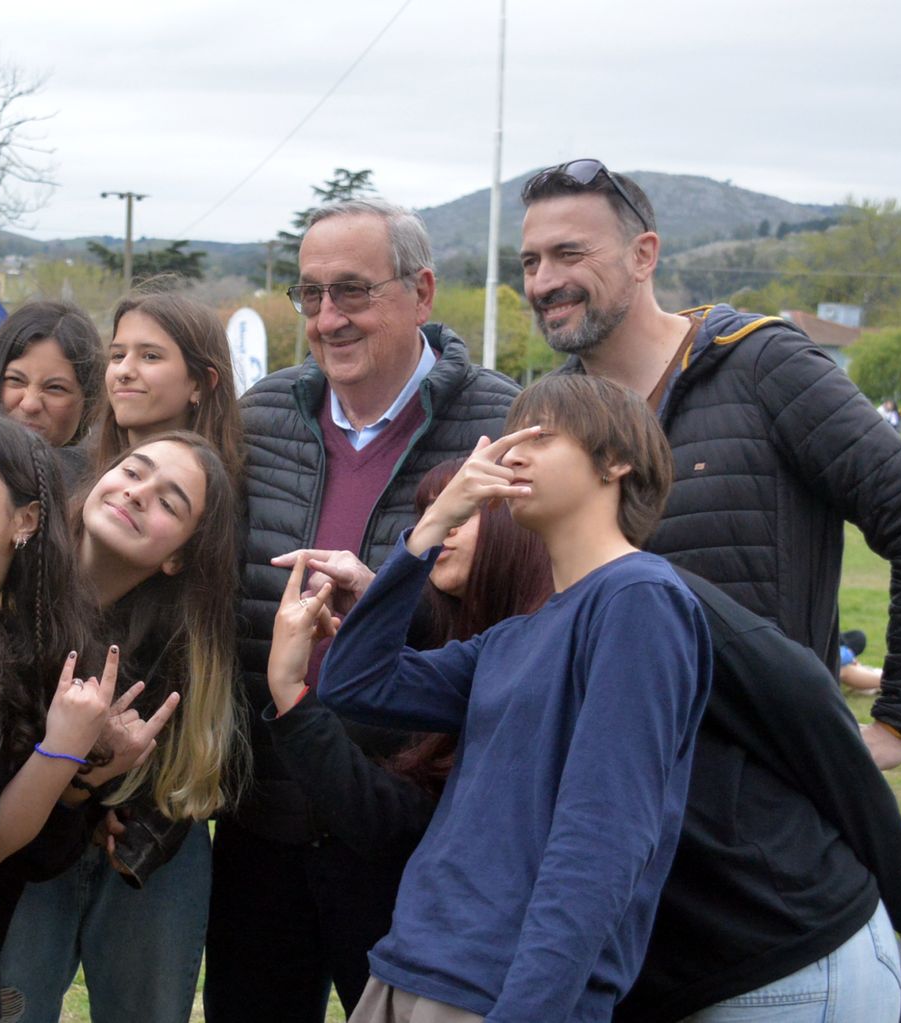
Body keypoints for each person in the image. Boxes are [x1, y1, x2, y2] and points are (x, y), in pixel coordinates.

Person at [209, 197, 521, 1022]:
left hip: (409, 834)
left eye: (352, 291)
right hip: (264, 820)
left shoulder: (503, 427)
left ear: (421, 292)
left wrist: (394, 608)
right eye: (309, 295)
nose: (327, 318)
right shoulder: (262, 419)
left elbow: (525, 621)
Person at [314, 373, 710, 1022]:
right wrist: (436, 523)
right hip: (408, 965)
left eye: (541, 437)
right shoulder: (512, 639)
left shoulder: (639, 598)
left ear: (615, 461)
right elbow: (354, 680)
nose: (510, 455)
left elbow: (603, 837)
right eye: (507, 440)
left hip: (498, 992)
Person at [517, 159, 901, 771]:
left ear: (643, 255)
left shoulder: (765, 366)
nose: (543, 282)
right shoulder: (544, 423)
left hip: (765, 806)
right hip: (604, 793)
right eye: (531, 262)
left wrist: (897, 724)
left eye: (569, 254)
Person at [0, 414, 175, 1023]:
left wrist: (82, 768)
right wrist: (61, 753)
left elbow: (8, 852)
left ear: (26, 519)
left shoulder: (37, 654)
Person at [259, 459, 555, 989]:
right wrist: (381, 603)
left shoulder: (534, 648)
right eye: (428, 515)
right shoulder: (469, 637)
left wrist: (290, 693)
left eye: (461, 512)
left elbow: (395, 825)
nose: (440, 527)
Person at [0, 431, 243, 1023]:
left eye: (168, 501)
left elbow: (184, 778)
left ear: (178, 556)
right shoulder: (3, 574)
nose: (137, 494)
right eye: (134, 472)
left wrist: (99, 782)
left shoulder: (174, 657)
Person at [616, 569, 901, 1023]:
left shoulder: (640, 589)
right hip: (684, 959)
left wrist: (897, 721)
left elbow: (803, 698)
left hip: (785, 950)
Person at [91, 290, 245, 484]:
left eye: (150, 356)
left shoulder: (241, 498)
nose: (123, 371)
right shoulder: (70, 476)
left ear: (200, 383)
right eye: (118, 356)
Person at [0, 301, 103, 484]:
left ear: (89, 400)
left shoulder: (103, 492)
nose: (29, 404)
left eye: (55, 388)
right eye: (16, 380)